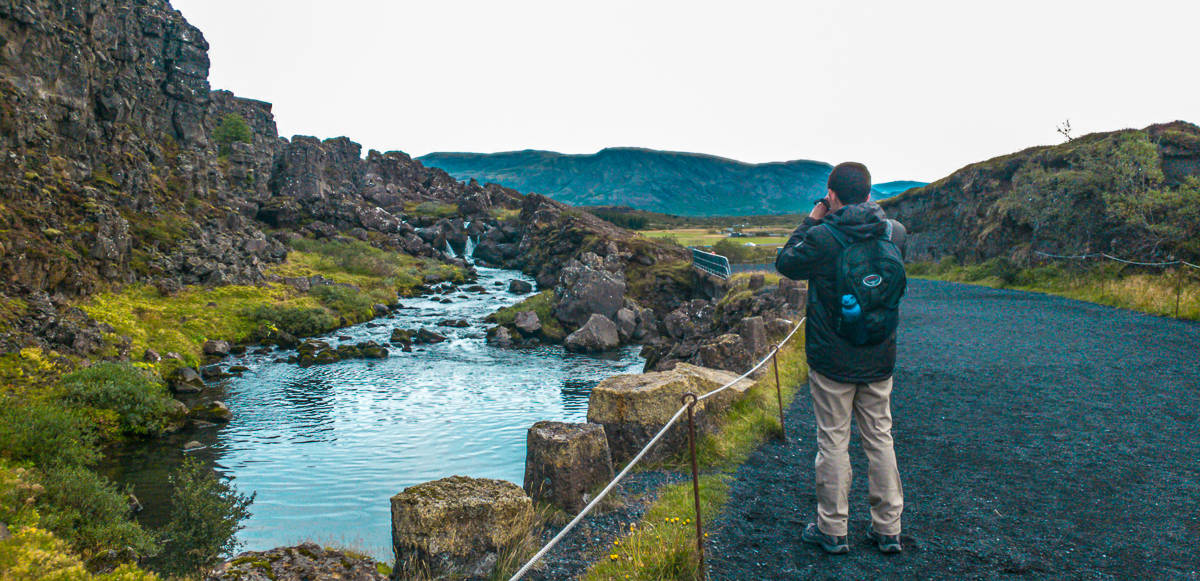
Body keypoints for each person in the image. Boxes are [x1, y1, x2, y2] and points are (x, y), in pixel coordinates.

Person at [775, 161, 908, 555]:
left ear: (831, 195)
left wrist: (812, 220)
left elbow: (785, 262)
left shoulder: (824, 237)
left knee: (833, 440)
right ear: (869, 194)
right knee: (880, 438)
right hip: (879, 353)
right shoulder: (894, 232)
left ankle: (832, 529)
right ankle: (889, 529)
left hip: (832, 359)